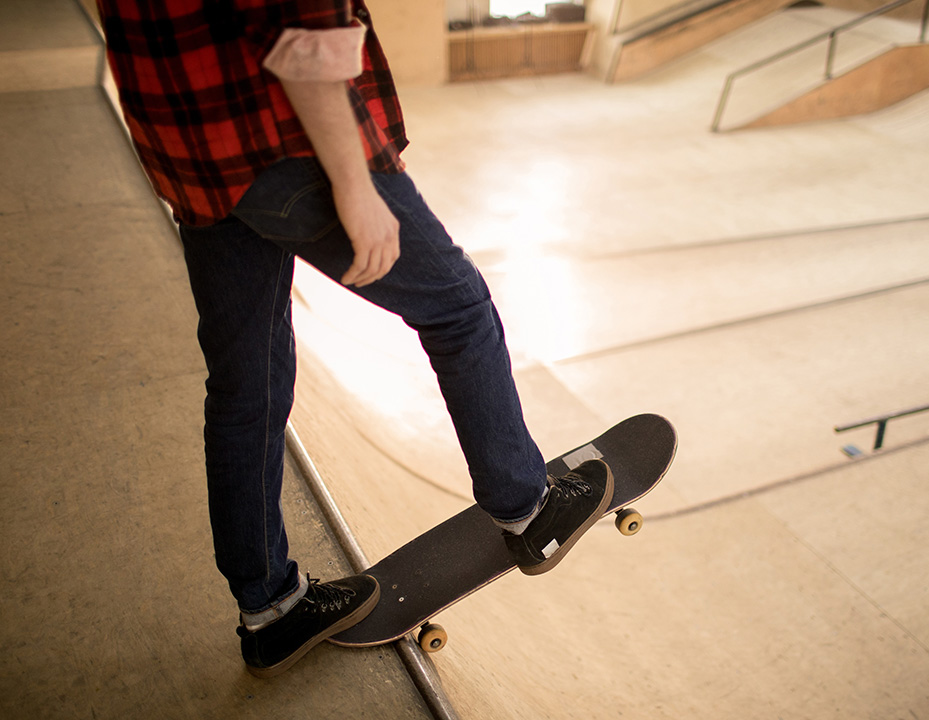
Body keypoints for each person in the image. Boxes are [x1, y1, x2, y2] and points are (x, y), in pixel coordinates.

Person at [96, 0, 614, 679]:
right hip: (279, 143)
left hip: (189, 151)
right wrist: (353, 184)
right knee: (457, 307)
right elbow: (304, 35)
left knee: (244, 383)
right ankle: (529, 508)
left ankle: (270, 609)